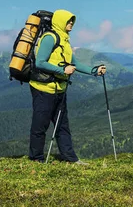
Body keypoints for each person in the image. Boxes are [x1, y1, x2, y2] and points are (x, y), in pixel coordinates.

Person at [29, 9, 106, 164]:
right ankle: (36, 159)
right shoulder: (49, 38)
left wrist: (94, 71)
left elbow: (75, 64)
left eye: (72, 21)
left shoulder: (65, 41)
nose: (71, 24)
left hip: (59, 89)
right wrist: (62, 70)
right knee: (40, 125)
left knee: (62, 125)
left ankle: (70, 158)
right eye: (68, 21)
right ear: (60, 21)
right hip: (43, 89)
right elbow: (40, 62)